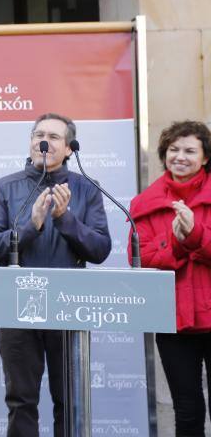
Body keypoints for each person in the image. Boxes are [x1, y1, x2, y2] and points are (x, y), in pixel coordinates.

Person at [0, 113, 112, 437]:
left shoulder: (87, 188)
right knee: (21, 401)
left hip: (69, 308)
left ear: (69, 149)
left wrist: (65, 219)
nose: (44, 142)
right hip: (17, 309)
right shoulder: (5, 187)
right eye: (39, 135)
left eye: (53, 137)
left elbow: (100, 248)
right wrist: (32, 225)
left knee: (70, 400)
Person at [129, 120, 211, 436]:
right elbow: (140, 258)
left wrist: (196, 234)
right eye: (173, 149)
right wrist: (177, 243)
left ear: (205, 157)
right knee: (187, 409)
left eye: (190, 151)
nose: (180, 157)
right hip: (173, 320)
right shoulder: (144, 202)